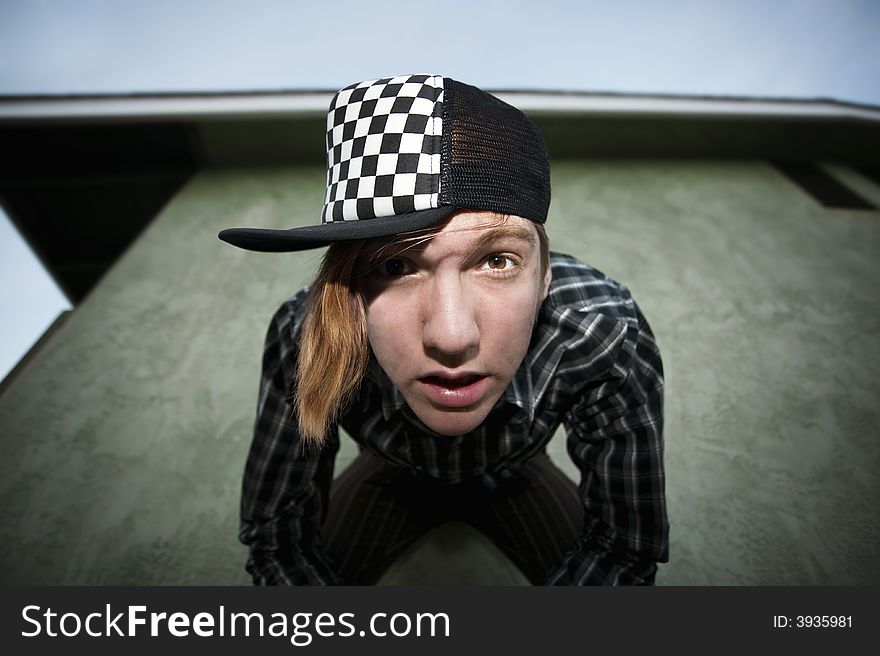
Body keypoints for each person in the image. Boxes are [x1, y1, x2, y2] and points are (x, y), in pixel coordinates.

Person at [219, 74, 668, 585]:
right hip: (391, 476)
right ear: (348, 286)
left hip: (515, 473)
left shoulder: (602, 332)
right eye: (394, 266)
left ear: (545, 278)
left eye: (497, 260)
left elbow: (623, 547)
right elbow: (280, 540)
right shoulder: (302, 337)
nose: (452, 337)